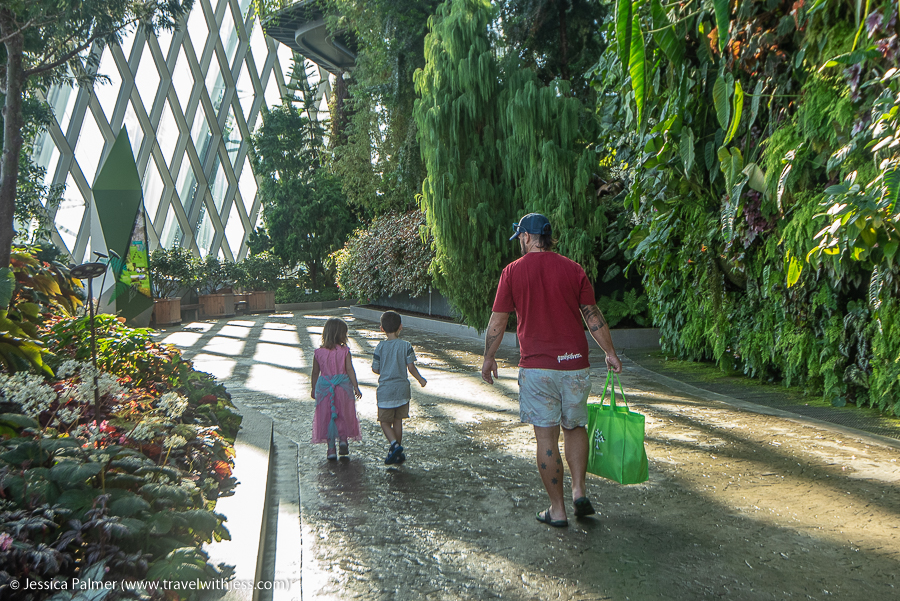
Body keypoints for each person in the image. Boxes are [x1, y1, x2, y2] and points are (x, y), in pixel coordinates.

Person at [481, 212, 623, 528]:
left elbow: (498, 321)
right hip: (575, 366)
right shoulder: (573, 269)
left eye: (520, 237)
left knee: (546, 437)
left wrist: (489, 357)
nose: (519, 242)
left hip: (537, 369)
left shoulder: (512, 272)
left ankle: (557, 510)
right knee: (575, 426)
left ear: (527, 237)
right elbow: (592, 315)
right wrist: (610, 353)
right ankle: (578, 492)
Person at [372, 310, 427, 464]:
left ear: (382, 328)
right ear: (400, 327)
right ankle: (397, 452)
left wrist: (385, 369)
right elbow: (411, 367)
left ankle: (394, 445)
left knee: (384, 422)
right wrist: (420, 379)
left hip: (386, 391)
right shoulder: (406, 345)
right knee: (398, 421)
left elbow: (375, 368)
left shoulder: (380, 347)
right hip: (402, 391)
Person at [310, 317, 363, 460]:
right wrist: (356, 386)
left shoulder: (318, 353)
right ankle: (343, 440)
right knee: (343, 414)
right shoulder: (345, 351)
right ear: (340, 334)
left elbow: (315, 372)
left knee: (327, 416)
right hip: (343, 387)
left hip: (325, 388)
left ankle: (331, 449)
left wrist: (313, 388)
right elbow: (350, 370)